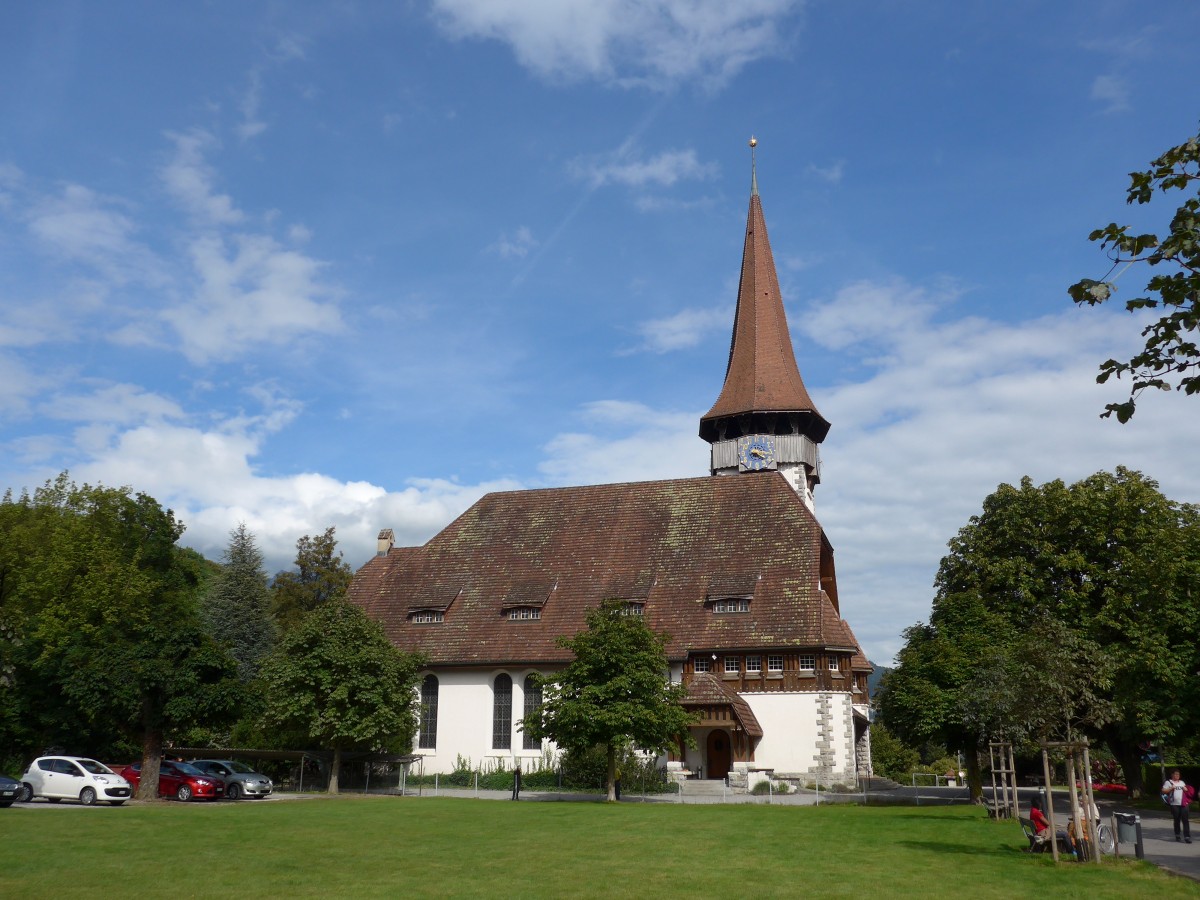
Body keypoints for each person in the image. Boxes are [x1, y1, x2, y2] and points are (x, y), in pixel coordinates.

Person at [1162, 769, 1192, 843]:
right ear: (1172, 775)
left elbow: (1186, 791)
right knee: (1177, 820)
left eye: (1178, 774)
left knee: (1185, 820)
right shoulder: (1168, 782)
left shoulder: (1182, 782)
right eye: (1175, 774)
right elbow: (1163, 791)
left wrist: (1186, 789)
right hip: (1174, 804)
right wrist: (1171, 788)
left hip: (1184, 804)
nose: (1177, 776)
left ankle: (1187, 837)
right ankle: (1177, 835)